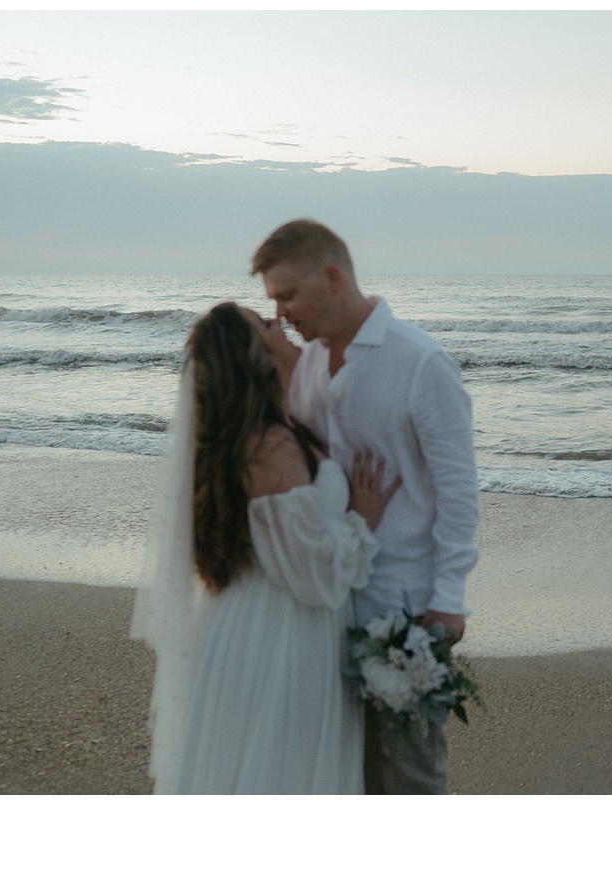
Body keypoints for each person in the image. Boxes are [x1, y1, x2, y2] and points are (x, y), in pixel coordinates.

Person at [131, 301, 401, 794]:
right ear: (253, 354)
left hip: (251, 623)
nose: (282, 324)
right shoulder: (269, 448)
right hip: (281, 636)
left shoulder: (261, 436)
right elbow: (311, 574)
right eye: (268, 325)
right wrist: (362, 519)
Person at [252, 219, 480, 795]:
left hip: (402, 601)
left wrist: (449, 598)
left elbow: (458, 490)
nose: (280, 313)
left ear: (332, 277)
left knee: (410, 775)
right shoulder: (306, 366)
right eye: (272, 302)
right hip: (327, 601)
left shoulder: (420, 363)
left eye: (287, 294)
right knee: (346, 774)